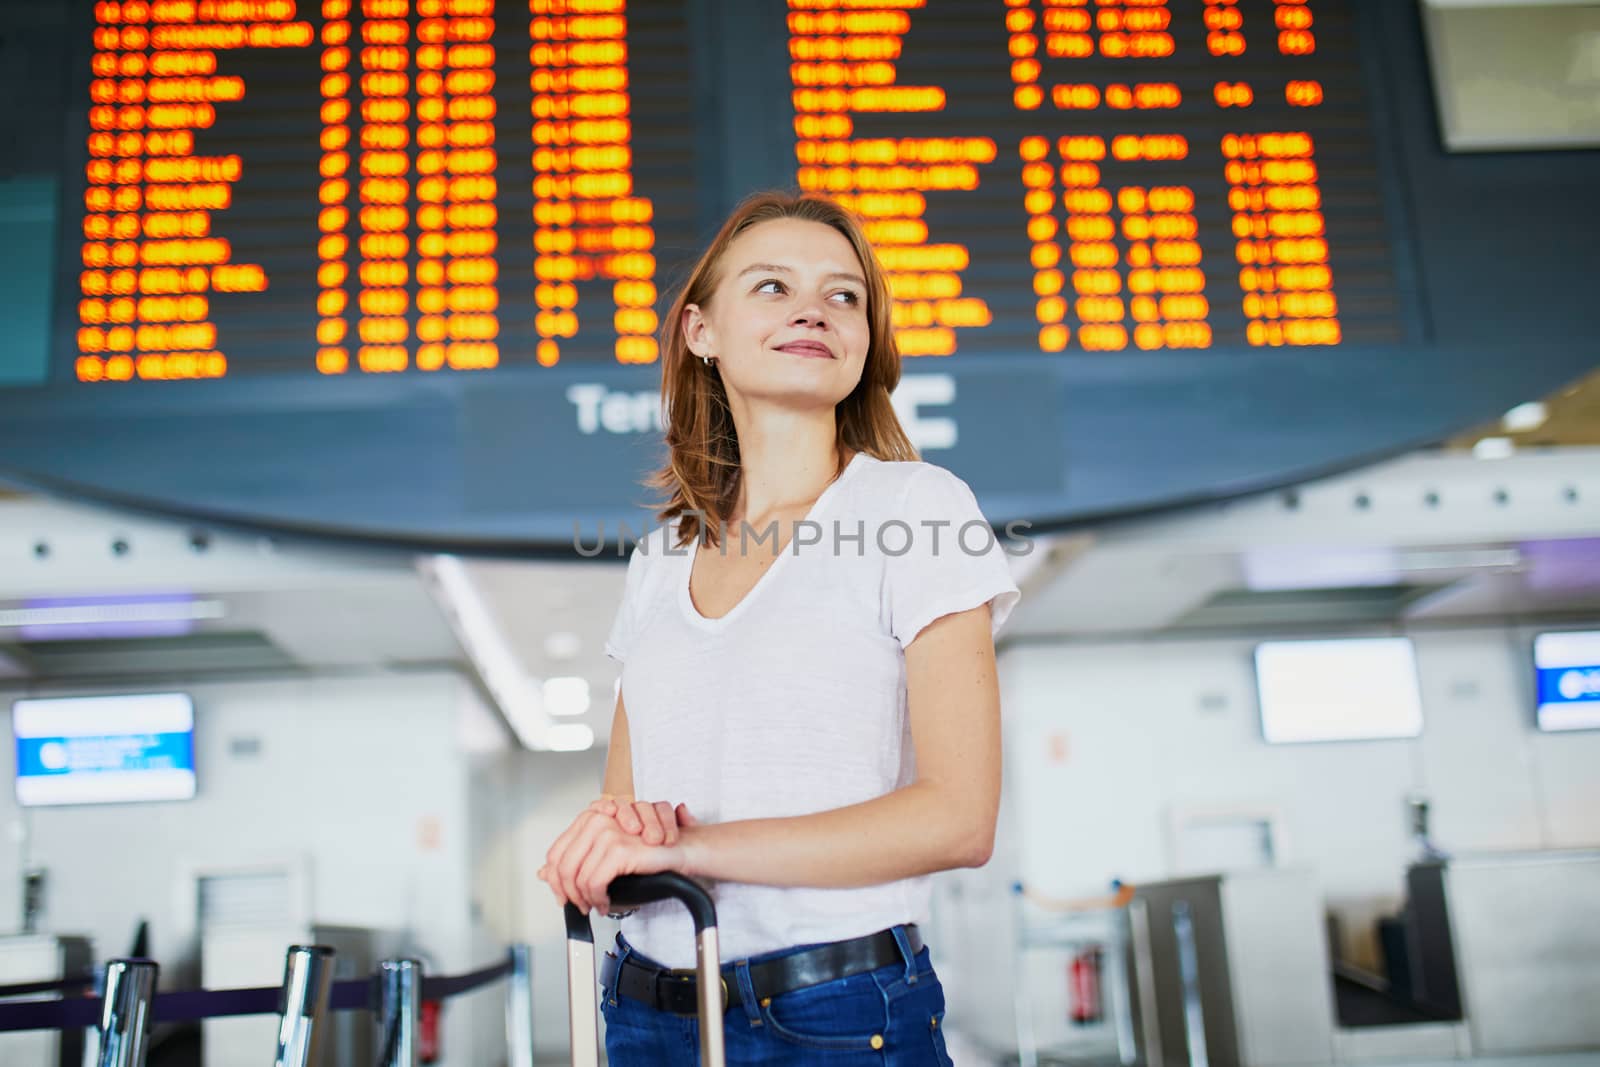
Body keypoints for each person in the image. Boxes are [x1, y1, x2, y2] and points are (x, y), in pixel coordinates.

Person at [539, 191, 1022, 1065]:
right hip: (644, 1011)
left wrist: (690, 848)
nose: (814, 309)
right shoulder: (658, 561)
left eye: (845, 296)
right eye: (771, 286)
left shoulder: (917, 508)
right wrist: (600, 849)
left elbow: (959, 819)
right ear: (699, 331)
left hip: (834, 1014)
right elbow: (627, 814)